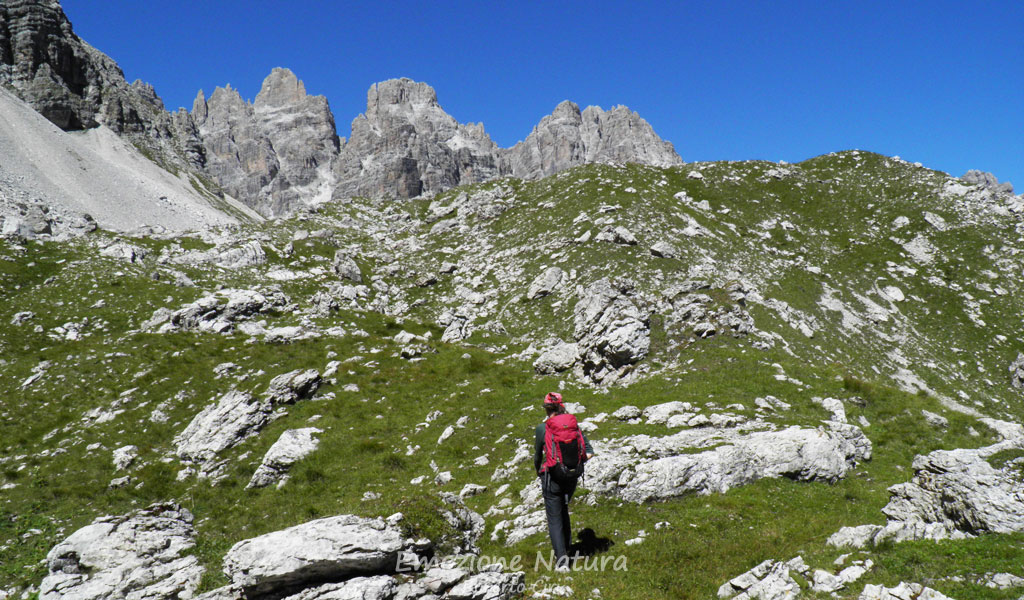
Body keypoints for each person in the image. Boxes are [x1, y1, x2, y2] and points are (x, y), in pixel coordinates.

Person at [534, 392, 593, 570]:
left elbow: (537, 455)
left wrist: (538, 470)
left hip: (552, 477)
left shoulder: (542, 429)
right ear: (562, 406)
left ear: (546, 408)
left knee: (554, 518)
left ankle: (562, 562)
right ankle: (567, 549)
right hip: (571, 476)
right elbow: (588, 450)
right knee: (564, 509)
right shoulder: (573, 425)